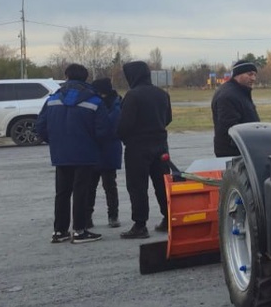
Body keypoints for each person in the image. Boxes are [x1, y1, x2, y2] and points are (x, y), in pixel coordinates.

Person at [35, 63, 110, 244]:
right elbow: (103, 130)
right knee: (81, 192)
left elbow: (41, 127)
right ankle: (80, 230)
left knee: (62, 192)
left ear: (66, 76)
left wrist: (55, 142)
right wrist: (95, 145)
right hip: (85, 153)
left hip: (60, 153)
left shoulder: (52, 99)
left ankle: (60, 231)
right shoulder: (95, 101)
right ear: (86, 78)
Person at [116, 60, 172, 239]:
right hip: (161, 145)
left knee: (137, 186)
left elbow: (125, 124)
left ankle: (140, 225)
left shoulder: (132, 96)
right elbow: (168, 118)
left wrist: (122, 136)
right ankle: (169, 218)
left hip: (137, 147)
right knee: (162, 184)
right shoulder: (162, 94)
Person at [89, 77, 123, 228]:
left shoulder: (112, 104)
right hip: (104, 149)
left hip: (104, 148)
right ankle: (90, 216)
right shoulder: (117, 102)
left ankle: (112, 215)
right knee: (94, 186)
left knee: (107, 186)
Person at [211, 60, 261, 157]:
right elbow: (229, 129)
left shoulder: (240, 92)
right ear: (237, 74)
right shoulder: (228, 96)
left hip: (244, 149)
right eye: (250, 74)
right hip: (234, 153)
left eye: (255, 75)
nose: (253, 78)